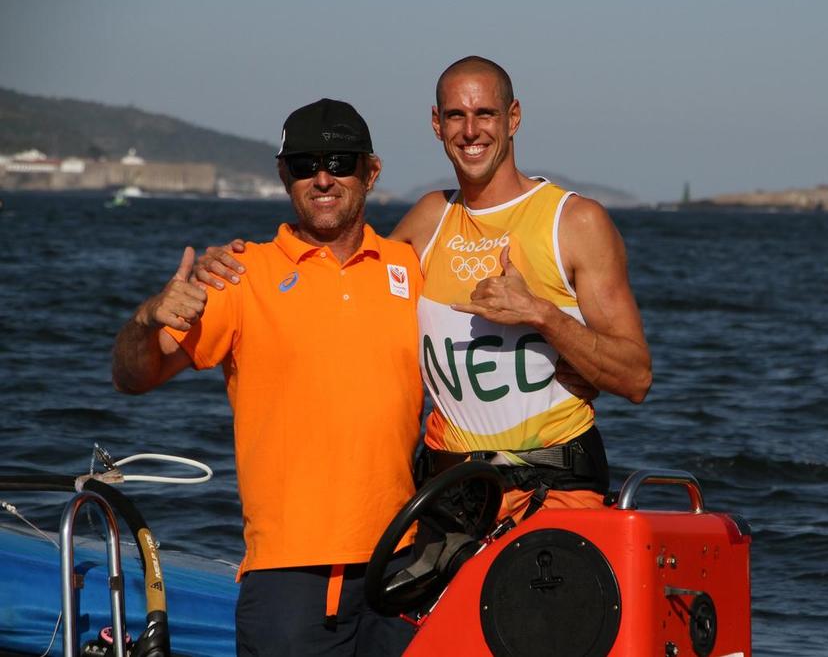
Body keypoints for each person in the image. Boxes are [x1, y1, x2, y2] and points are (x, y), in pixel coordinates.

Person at [197, 56, 652, 523]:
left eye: (485, 114)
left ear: (513, 117)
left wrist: (544, 316)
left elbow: (636, 378)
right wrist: (239, 265)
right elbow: (337, 278)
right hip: (450, 491)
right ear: (437, 124)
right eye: (456, 115)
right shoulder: (429, 219)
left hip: (553, 486)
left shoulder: (574, 222)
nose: (470, 131)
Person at [112, 99, 422, 656]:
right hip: (289, 577)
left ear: (370, 171)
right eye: (304, 165)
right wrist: (148, 314)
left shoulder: (410, 268)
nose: (323, 178)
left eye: (340, 161)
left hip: (402, 565)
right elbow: (134, 377)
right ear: (284, 176)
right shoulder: (239, 275)